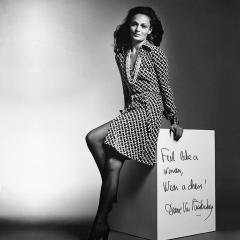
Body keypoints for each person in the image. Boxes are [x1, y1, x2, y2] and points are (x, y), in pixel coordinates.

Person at [85, 6, 183, 240]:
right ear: (128, 26)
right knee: (111, 164)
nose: (138, 29)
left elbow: (165, 87)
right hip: (133, 110)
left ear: (150, 31)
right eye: (134, 24)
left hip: (149, 110)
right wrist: (126, 113)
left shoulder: (155, 53)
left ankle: (101, 219)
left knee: (94, 138)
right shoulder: (121, 54)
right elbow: (126, 89)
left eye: (143, 26)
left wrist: (174, 118)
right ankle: (102, 221)